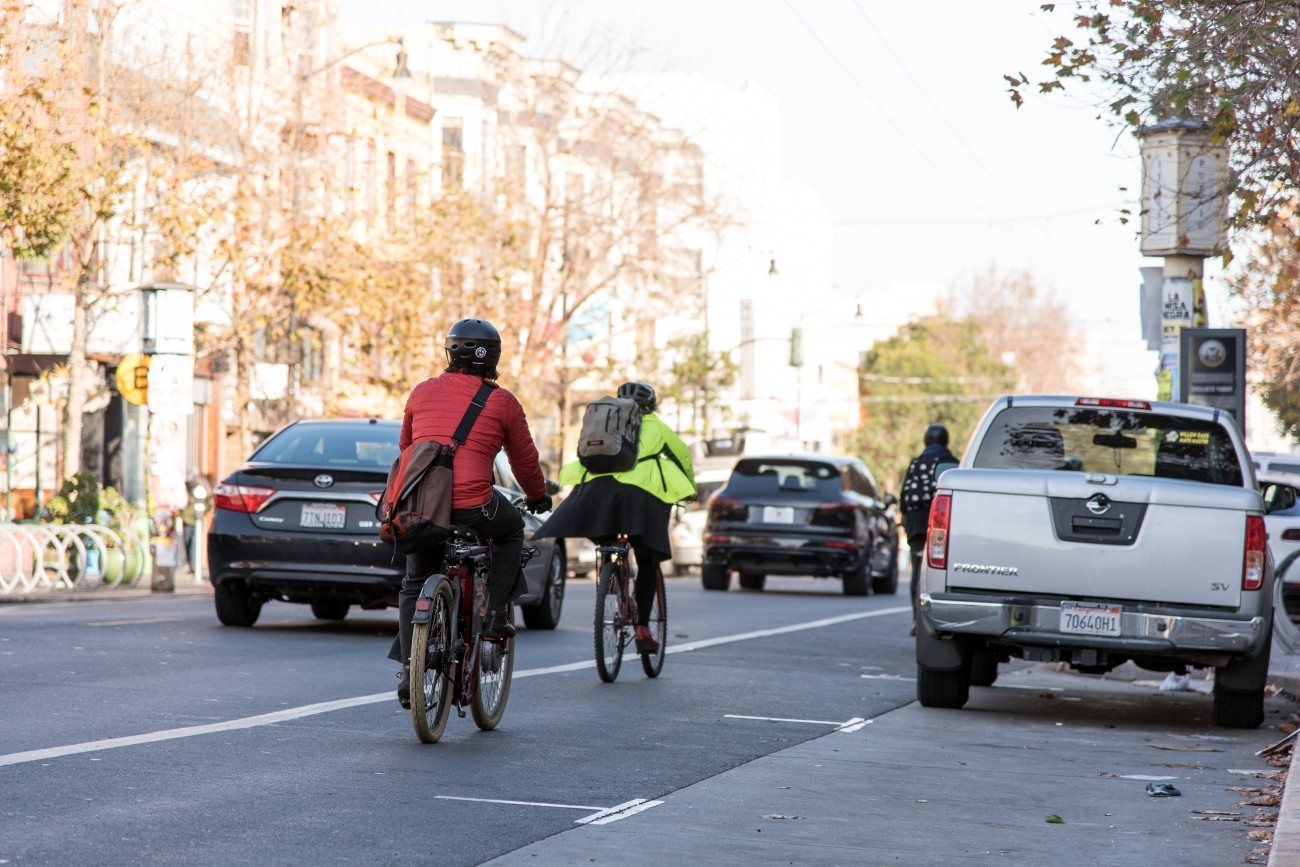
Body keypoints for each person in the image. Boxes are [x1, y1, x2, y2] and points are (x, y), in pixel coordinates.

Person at [389, 318, 552, 709]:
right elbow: (524, 460)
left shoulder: (422, 391)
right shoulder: (503, 402)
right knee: (511, 531)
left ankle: (410, 666)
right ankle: (496, 614)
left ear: (449, 352)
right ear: (493, 358)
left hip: (424, 506)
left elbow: (407, 445)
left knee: (415, 581)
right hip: (474, 504)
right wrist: (538, 496)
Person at [532, 381, 694, 654]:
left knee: (604, 533)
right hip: (641, 498)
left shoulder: (606, 419)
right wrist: (687, 489)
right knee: (647, 561)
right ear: (652, 405)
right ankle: (642, 627)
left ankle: (611, 567)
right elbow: (683, 457)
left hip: (597, 495)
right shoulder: (656, 424)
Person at [900, 422, 958, 635]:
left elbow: (904, 499)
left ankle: (917, 618)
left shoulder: (916, 463)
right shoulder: (952, 464)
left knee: (917, 570)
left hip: (917, 525)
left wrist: (906, 520)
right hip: (942, 524)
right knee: (939, 571)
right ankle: (939, 620)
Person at [180, 470, 213, 573]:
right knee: (187, 541)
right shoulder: (185, 486)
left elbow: (210, 502)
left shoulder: (202, 487)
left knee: (195, 542)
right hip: (187, 518)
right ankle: (190, 563)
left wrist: (202, 512)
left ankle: (194, 564)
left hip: (196, 518)